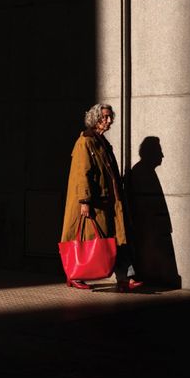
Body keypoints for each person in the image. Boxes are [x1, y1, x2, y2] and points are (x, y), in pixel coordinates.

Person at [59, 103, 143, 292]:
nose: (109, 120)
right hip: (95, 202)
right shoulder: (86, 142)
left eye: (110, 116)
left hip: (109, 202)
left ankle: (124, 278)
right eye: (105, 117)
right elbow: (82, 173)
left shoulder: (101, 142)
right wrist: (85, 201)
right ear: (95, 119)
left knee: (117, 239)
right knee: (87, 240)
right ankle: (74, 274)